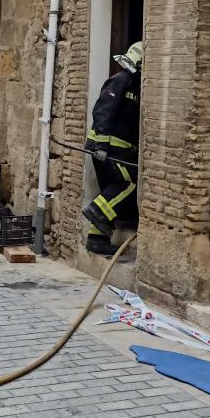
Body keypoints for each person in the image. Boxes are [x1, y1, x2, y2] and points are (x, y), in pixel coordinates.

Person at [82, 42, 142, 257]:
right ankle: (97, 211)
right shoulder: (121, 81)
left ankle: (97, 238)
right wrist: (102, 145)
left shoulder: (134, 85)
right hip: (109, 149)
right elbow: (103, 112)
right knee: (128, 184)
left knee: (110, 187)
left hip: (118, 149)